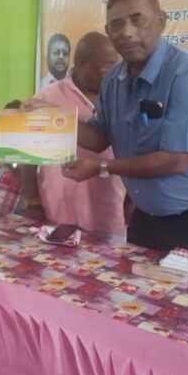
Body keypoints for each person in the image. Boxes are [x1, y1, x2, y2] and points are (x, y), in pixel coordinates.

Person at [25, 0, 188, 267]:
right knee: (135, 292)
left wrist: (101, 167)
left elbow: (175, 160)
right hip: (148, 218)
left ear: (160, 21)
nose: (127, 32)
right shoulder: (114, 80)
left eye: (137, 19)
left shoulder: (187, 72)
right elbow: (98, 138)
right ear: (108, 31)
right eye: (117, 24)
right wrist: (51, 113)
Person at [21, 32, 125, 236]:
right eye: (106, 67)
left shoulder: (120, 96)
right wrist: (32, 201)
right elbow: (28, 156)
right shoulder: (47, 97)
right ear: (81, 63)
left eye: (115, 66)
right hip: (58, 210)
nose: (111, 73)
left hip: (108, 210)